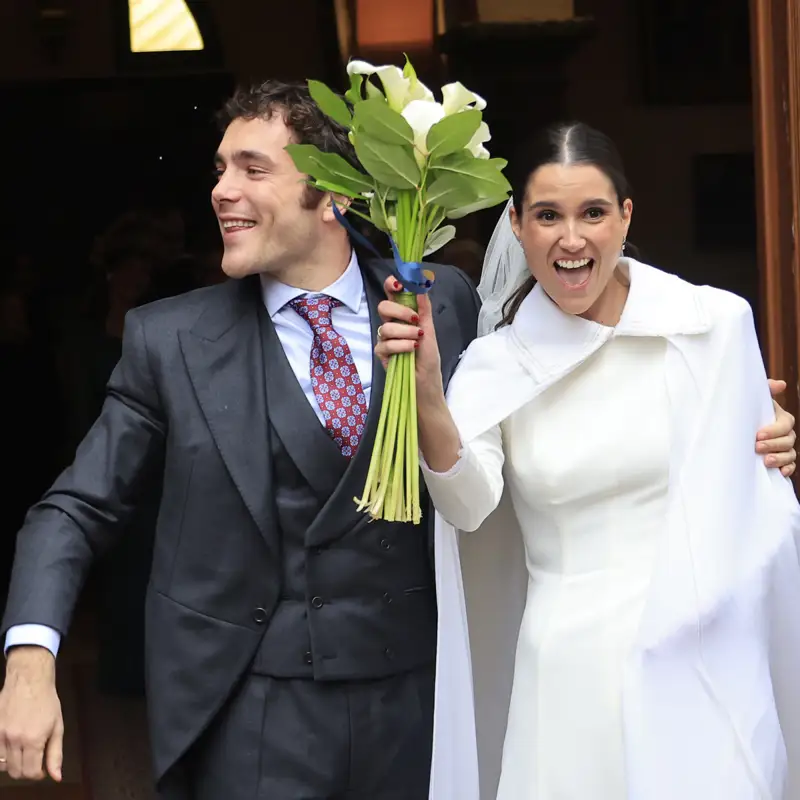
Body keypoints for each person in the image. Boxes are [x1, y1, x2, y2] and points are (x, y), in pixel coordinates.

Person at [0, 95, 793, 799]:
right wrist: (31, 658)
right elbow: (75, 507)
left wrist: (752, 430)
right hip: (253, 712)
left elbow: (589, 391)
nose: (221, 191)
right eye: (219, 169)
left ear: (334, 194)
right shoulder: (170, 340)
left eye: (252, 169)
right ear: (521, 224)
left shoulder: (443, 302)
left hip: (422, 708)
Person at [374, 121, 800, 800]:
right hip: (571, 673)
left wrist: (777, 441)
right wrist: (427, 391)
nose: (571, 239)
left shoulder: (710, 326)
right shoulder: (497, 363)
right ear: (516, 225)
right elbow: (466, 503)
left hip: (707, 661)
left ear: (626, 217)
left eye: (593, 213)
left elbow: (757, 491)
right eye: (548, 216)